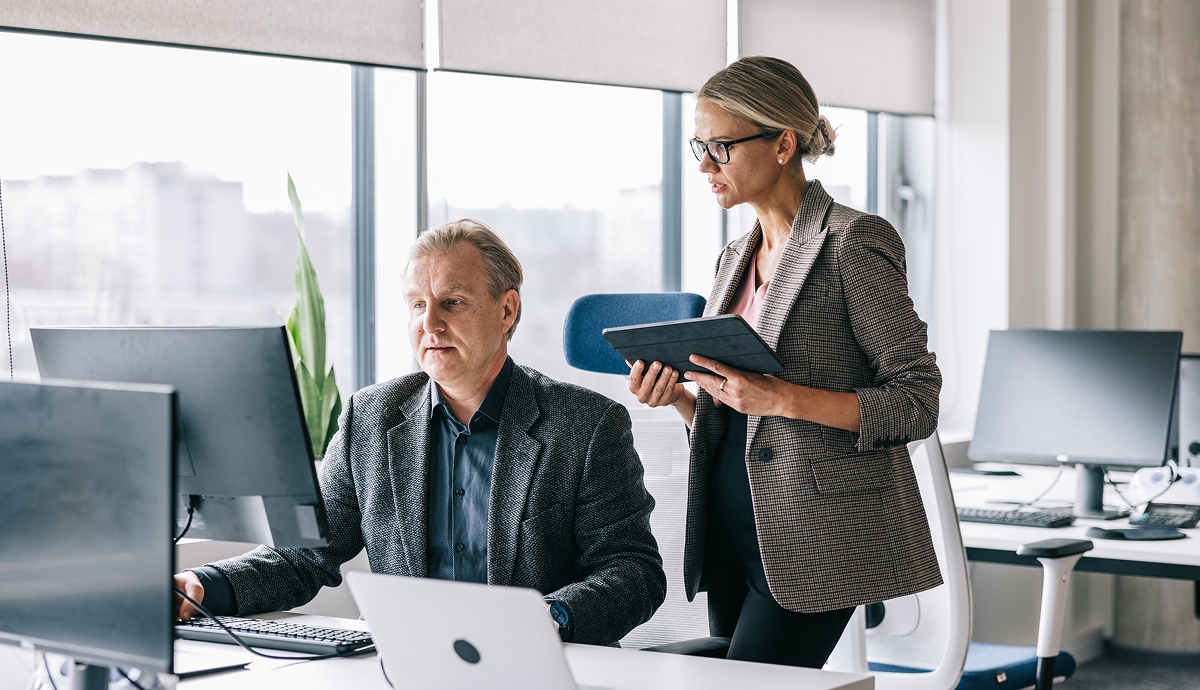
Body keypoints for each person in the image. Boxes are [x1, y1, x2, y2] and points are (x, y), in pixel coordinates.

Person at [176, 219, 666, 646]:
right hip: (409, 667)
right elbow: (306, 556)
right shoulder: (370, 418)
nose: (429, 323)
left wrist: (550, 618)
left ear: (507, 310)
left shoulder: (586, 424)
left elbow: (633, 572)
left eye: (452, 302)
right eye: (416, 305)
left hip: (542, 667)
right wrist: (203, 585)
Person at [629, 56, 942, 668]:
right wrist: (682, 401)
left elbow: (917, 400)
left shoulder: (855, 242)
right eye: (699, 145)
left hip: (814, 535)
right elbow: (740, 414)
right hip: (729, 528)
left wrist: (780, 398)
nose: (702, 165)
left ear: (783, 143)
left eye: (720, 147)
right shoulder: (733, 259)